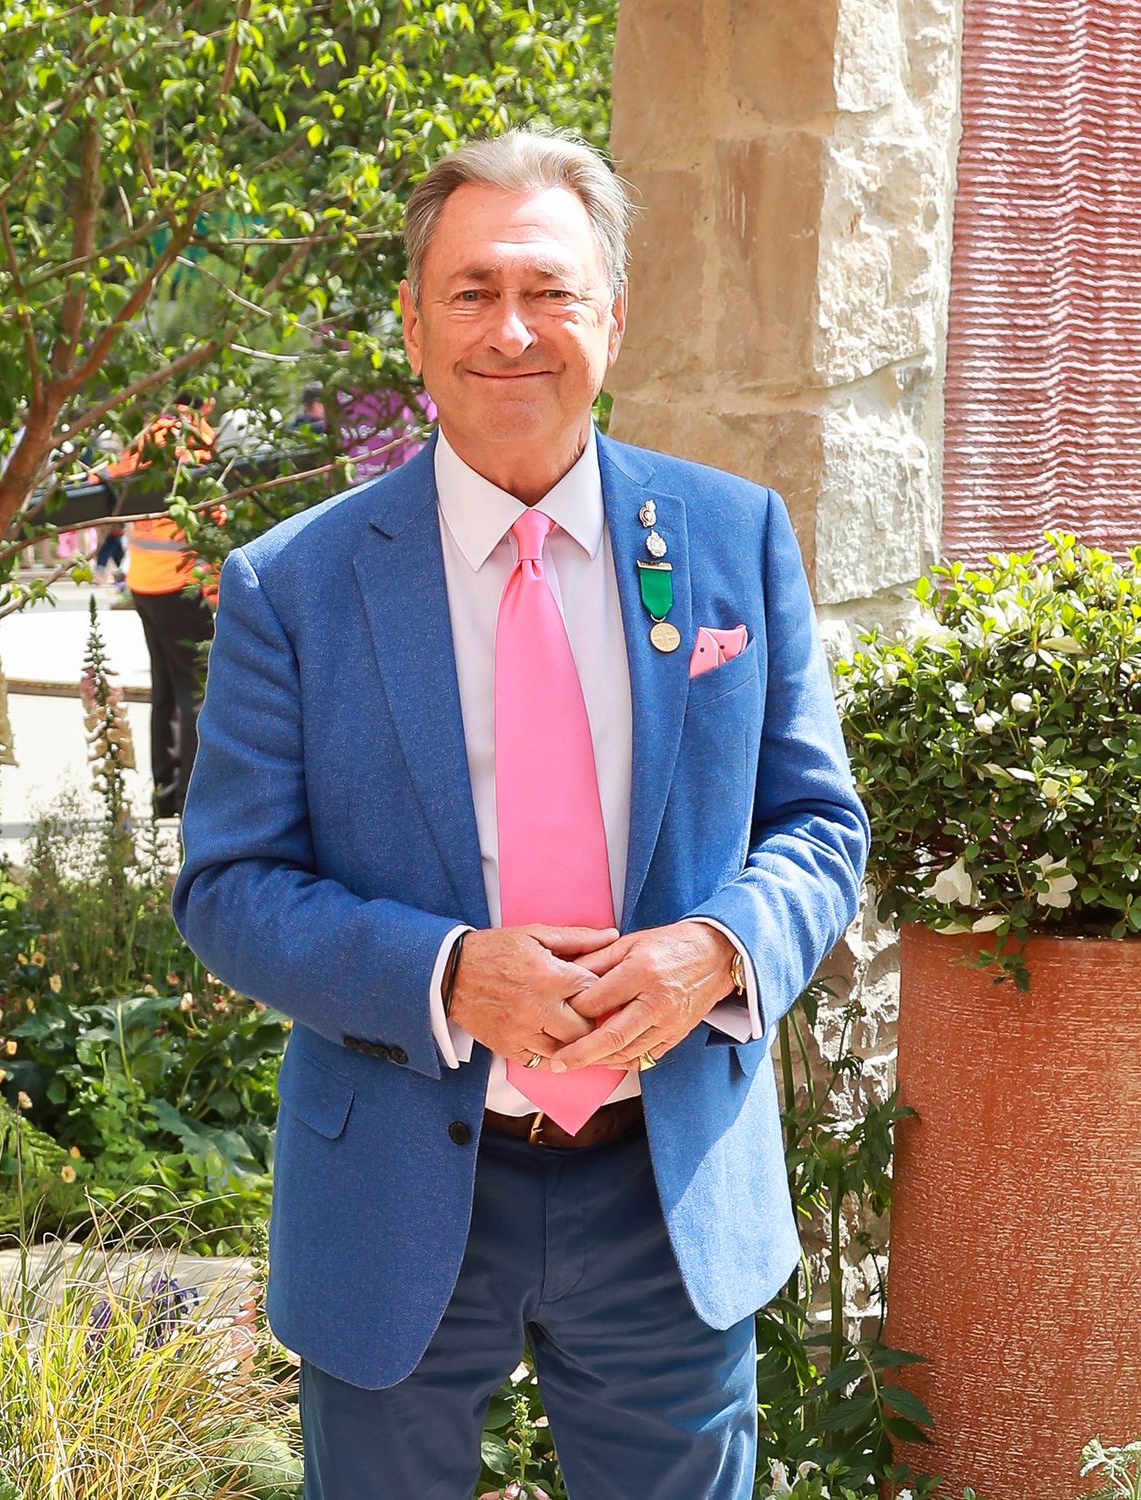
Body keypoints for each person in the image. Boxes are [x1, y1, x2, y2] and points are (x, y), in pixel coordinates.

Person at [173, 129, 869, 1500]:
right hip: (396, 1182)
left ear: (612, 315)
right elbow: (230, 885)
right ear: (417, 327)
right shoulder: (292, 587)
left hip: (665, 1184)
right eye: (473, 291)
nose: (513, 330)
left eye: (550, 290)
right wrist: (446, 974)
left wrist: (716, 952)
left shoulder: (733, 539)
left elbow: (819, 826)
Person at [90, 393, 219, 817]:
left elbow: (100, 482)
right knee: (195, 692)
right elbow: (214, 515)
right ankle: (189, 800)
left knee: (166, 690)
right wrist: (217, 589)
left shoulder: (146, 439)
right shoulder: (195, 440)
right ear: (205, 406)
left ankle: (165, 797)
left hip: (144, 581)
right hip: (181, 584)